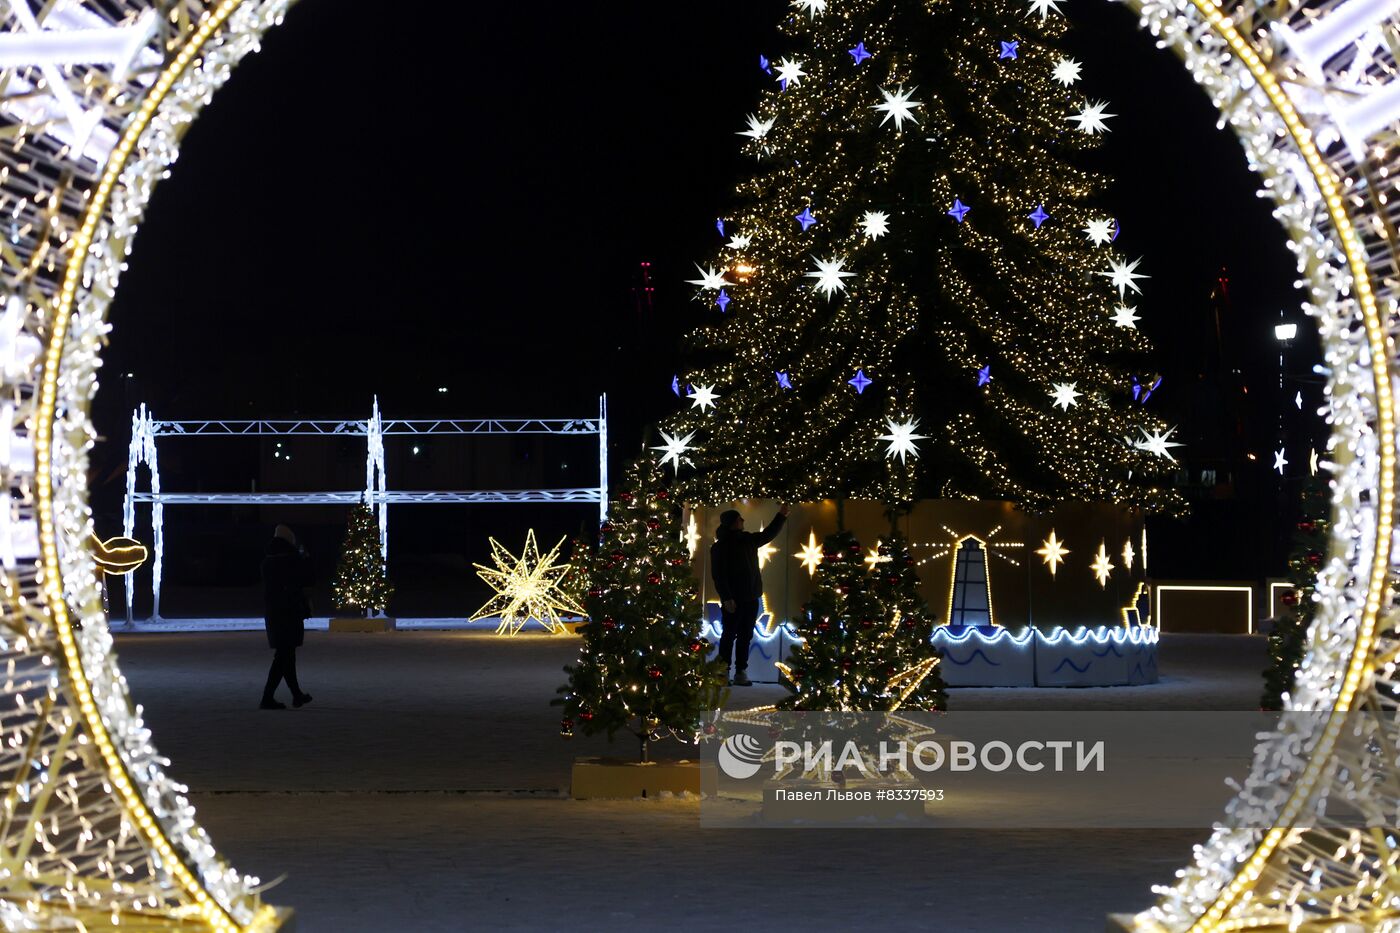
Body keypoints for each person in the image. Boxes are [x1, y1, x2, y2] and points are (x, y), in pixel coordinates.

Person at [710, 503, 789, 686]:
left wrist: (782, 515)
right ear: (732, 523)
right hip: (733, 600)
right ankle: (723, 672)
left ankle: (740, 671)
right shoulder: (720, 547)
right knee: (729, 635)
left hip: (752, 598)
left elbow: (768, 534)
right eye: (739, 519)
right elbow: (718, 575)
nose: (743, 521)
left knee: (745, 635)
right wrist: (726, 597)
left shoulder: (748, 540)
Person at [260, 524, 314, 710]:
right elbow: (298, 584)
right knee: (284, 656)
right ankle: (267, 697)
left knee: (286, 655)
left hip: (276, 613)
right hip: (288, 613)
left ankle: (296, 694)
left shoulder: (269, 560)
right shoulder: (290, 560)